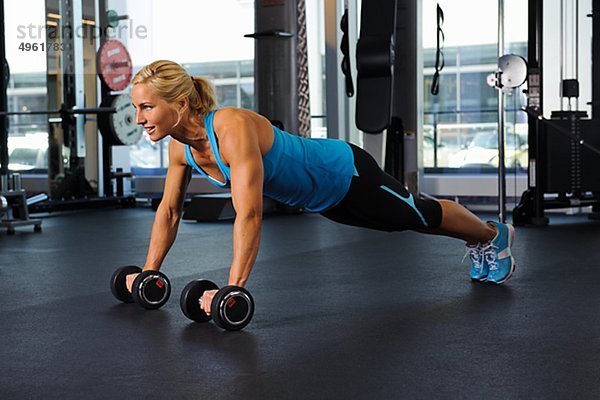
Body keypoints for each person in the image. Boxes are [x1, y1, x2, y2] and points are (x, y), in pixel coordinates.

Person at [127, 60, 516, 316]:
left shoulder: (231, 126)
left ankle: (491, 234)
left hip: (344, 172)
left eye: (147, 107)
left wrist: (233, 290)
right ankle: (482, 237)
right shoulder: (180, 147)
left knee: (419, 215)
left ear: (179, 103)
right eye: (136, 109)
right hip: (323, 199)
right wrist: (150, 273)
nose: (140, 118)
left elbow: (249, 212)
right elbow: (170, 211)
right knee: (401, 222)